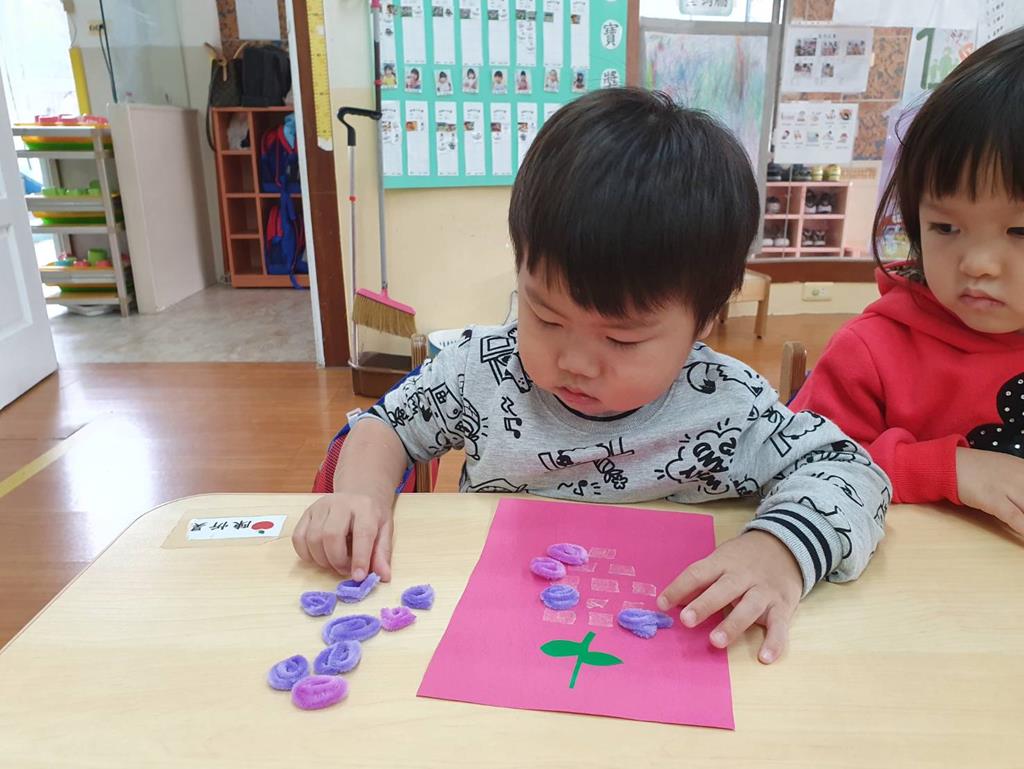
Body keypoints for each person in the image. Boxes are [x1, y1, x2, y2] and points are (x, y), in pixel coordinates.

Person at [294, 88, 891, 664]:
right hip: (499, 630)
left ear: (705, 320)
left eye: (622, 339)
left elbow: (852, 473)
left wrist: (779, 549)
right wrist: (359, 494)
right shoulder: (481, 371)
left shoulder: (728, 407)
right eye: (546, 317)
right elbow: (386, 426)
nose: (575, 362)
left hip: (665, 644)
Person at [792, 29, 1024, 535]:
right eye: (945, 227)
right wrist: (948, 469)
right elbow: (803, 465)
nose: (978, 264)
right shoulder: (871, 352)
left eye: (1020, 231)